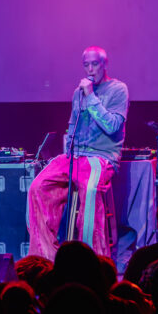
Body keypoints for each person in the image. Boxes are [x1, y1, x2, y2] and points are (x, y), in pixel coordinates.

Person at [27, 46, 129, 259]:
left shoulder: (118, 89)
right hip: (75, 155)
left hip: (101, 157)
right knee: (38, 187)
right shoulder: (78, 93)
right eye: (86, 65)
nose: (90, 69)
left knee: (90, 192)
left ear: (105, 64)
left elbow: (111, 126)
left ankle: (91, 259)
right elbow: (72, 125)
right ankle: (46, 256)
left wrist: (91, 96)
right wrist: (66, 152)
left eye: (95, 64)